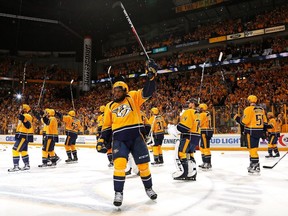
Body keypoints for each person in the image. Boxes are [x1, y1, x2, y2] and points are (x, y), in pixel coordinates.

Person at [96, 59, 158, 207]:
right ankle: (118, 193)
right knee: (119, 165)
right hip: (119, 140)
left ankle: (149, 188)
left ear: (125, 90)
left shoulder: (133, 97)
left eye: (118, 91)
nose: (115, 93)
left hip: (136, 138)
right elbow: (106, 127)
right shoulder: (109, 106)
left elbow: (148, 91)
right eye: (114, 91)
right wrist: (101, 140)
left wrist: (151, 77)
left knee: (143, 166)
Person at [232, 95, 267, 174]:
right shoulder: (261, 109)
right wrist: (265, 131)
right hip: (259, 130)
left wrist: (236, 117)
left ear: (249, 101)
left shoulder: (248, 109)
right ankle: (253, 165)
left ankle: (255, 166)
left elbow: (244, 122)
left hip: (251, 131)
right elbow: (265, 121)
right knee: (254, 148)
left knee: (252, 149)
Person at [172, 98, 200, 180]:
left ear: (193, 104)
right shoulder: (198, 113)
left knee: (181, 153)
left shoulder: (189, 111)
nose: (188, 104)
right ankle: (192, 173)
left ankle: (183, 173)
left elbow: (185, 127)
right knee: (190, 154)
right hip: (195, 136)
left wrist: (175, 129)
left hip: (188, 136)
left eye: (190, 103)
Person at [8, 104, 33, 172]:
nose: (20, 109)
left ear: (25, 109)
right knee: (23, 151)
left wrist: (23, 118)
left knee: (15, 150)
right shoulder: (24, 116)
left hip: (23, 136)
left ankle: (16, 166)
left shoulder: (27, 116)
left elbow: (28, 125)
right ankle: (27, 165)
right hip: (23, 136)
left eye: (22, 108)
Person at [198, 103, 214, 170]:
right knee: (203, 147)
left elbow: (200, 123)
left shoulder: (202, 114)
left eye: (200, 108)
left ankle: (207, 163)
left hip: (204, 131)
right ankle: (205, 162)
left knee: (205, 147)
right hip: (206, 131)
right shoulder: (207, 113)